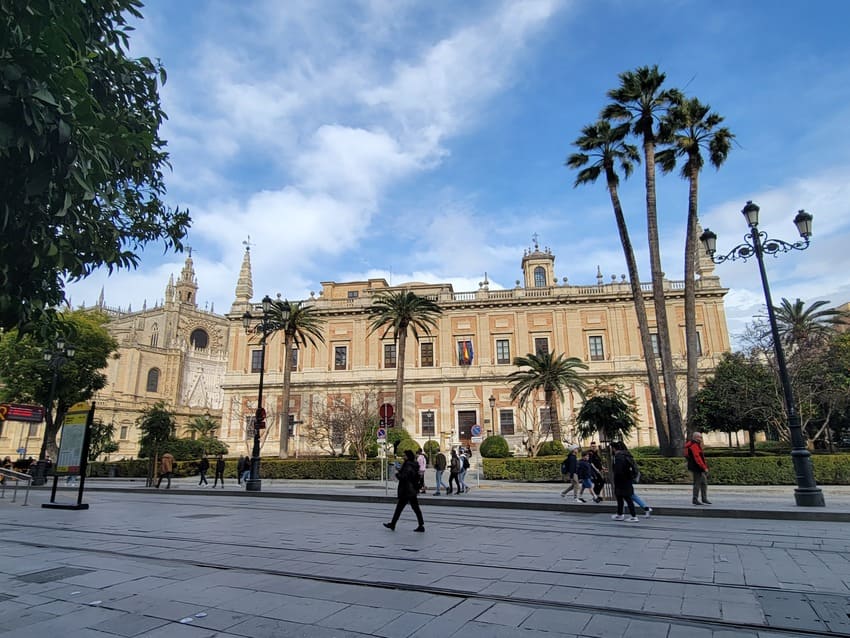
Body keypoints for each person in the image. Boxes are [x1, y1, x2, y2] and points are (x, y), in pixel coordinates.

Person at [383, 449, 425, 532]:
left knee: (399, 508)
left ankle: (393, 524)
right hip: (412, 490)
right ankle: (421, 525)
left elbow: (404, 477)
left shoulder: (408, 465)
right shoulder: (414, 464)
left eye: (404, 455)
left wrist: (397, 473)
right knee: (415, 508)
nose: (403, 457)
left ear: (408, 456)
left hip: (406, 490)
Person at [610, 441, 639, 522]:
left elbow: (618, 470)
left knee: (626, 498)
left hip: (621, 481)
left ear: (614, 448)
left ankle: (633, 516)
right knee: (621, 498)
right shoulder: (627, 454)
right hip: (627, 480)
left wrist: (617, 478)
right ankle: (620, 514)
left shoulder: (619, 457)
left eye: (612, 448)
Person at [685, 431, 711, 505]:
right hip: (697, 467)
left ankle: (704, 498)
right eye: (700, 437)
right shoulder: (694, 446)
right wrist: (704, 467)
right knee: (697, 483)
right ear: (696, 437)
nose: (701, 438)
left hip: (697, 467)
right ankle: (695, 499)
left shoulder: (694, 444)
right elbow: (697, 458)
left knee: (704, 482)